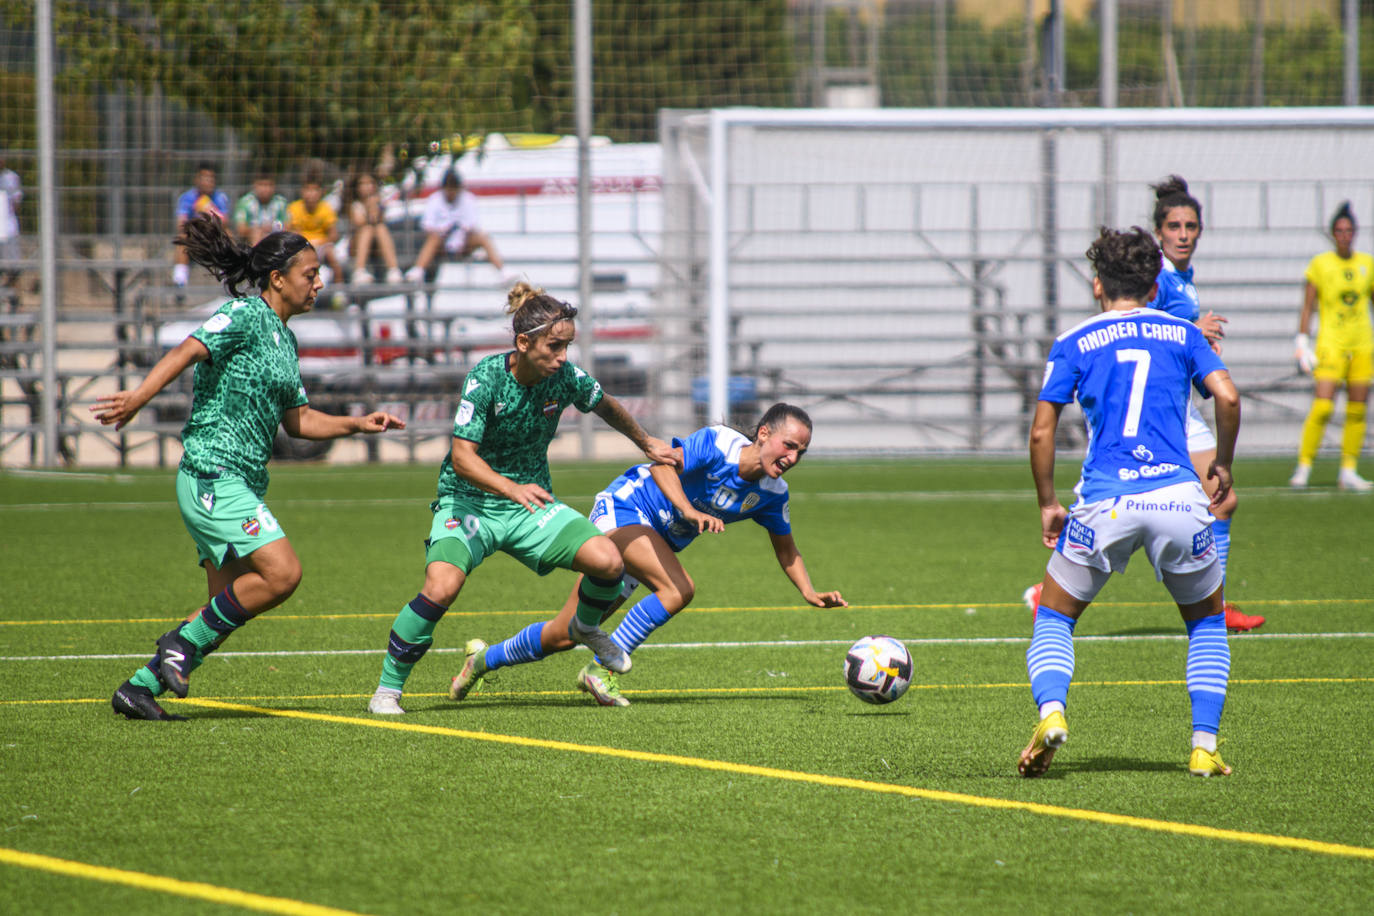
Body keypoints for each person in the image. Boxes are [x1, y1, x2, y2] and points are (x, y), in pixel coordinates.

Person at [92, 214, 405, 721]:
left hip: (241, 483)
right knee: (282, 574)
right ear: (278, 278)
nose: (320, 282)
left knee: (223, 609)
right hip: (212, 473)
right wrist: (138, 398)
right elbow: (187, 350)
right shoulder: (242, 314)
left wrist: (356, 424)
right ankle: (176, 644)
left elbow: (298, 422)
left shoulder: (286, 339)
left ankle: (139, 687)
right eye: (311, 273)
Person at [366, 282, 677, 715]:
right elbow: (461, 457)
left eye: (568, 346)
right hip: (469, 503)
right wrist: (512, 487)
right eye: (555, 346)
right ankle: (387, 690)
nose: (563, 357)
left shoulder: (564, 377)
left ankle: (586, 627)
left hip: (529, 506)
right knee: (441, 587)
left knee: (607, 562)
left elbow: (605, 404)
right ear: (524, 342)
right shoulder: (486, 378)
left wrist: (645, 442)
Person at [1018, 226, 1240, 779]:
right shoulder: (1182, 332)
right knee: (1207, 623)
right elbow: (1229, 397)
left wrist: (1048, 501)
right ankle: (1203, 746)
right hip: (1178, 500)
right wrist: (1223, 464)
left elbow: (1042, 432)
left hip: (1105, 503)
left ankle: (1052, 713)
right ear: (1153, 282)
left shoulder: (1074, 341)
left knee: (1056, 615)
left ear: (1098, 285)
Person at [448, 404, 848, 708]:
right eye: (789, 445)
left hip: (651, 540)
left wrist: (809, 592)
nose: (792, 458)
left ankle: (482, 661)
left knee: (565, 634)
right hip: (626, 507)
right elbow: (661, 467)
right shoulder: (719, 442)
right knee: (679, 589)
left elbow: (786, 548)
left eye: (802, 452)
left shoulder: (773, 496)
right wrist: (690, 511)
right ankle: (601, 670)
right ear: (763, 434)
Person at [1020, 177, 1261, 633]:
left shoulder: (1179, 279)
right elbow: (1142, 327)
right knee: (1208, 501)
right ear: (1159, 234)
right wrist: (1193, 331)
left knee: (1187, 505)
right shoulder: (1160, 280)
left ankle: (1062, 589)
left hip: (1170, 407)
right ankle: (1212, 604)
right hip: (1162, 411)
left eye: (1192, 226)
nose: (1184, 234)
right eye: (1174, 227)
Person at [1289, 201, 1374, 491]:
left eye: (1349, 230)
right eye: (1339, 230)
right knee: (1323, 406)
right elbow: (1308, 306)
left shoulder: (1367, 264)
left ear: (1355, 233)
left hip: (1362, 344)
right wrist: (1302, 342)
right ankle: (1304, 466)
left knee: (1357, 409)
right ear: (1332, 233)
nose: (1344, 235)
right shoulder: (1321, 264)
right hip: (1331, 344)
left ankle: (1348, 470)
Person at [404, 170, 506, 283]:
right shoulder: (435, 199)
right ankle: (419, 270)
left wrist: (459, 234)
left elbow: (472, 226)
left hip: (464, 244)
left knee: (483, 237)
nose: (451, 193)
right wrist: (443, 231)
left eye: (453, 189)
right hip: (441, 245)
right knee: (433, 239)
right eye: (448, 189)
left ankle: (502, 271)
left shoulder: (468, 199)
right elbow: (427, 226)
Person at [172, 162, 230, 288]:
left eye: (211, 178)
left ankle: (227, 273)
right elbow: (181, 224)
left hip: (214, 237)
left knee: (229, 234)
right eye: (204, 178)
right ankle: (180, 280)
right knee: (182, 237)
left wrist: (210, 210)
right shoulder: (187, 197)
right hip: (195, 238)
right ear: (197, 179)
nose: (208, 182)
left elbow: (224, 222)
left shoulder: (220, 197)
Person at [345, 170, 404, 285]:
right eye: (363, 184)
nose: (367, 187)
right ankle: (359, 270)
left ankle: (393, 269)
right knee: (367, 229)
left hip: (376, 246)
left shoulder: (379, 202)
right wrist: (369, 207)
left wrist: (376, 207)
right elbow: (359, 222)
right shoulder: (355, 205)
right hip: (357, 244)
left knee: (380, 228)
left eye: (370, 183)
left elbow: (378, 220)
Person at [286, 172, 344, 284]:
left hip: (321, 245)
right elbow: (291, 232)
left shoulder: (326, 208)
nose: (311, 194)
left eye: (315, 190)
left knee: (331, 252)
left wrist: (322, 242)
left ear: (321, 192)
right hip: (302, 245)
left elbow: (333, 234)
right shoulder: (294, 208)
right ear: (302, 191)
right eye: (308, 190)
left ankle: (339, 287)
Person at [233, 173, 289, 246]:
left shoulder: (281, 202)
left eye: (269, 185)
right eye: (261, 185)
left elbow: (288, 226)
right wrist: (258, 229)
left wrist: (271, 229)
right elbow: (241, 229)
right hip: (252, 239)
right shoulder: (245, 202)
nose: (265, 189)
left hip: (277, 237)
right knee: (256, 234)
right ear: (254, 186)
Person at [0, 154, 21, 288]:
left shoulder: (11, 178)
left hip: (8, 229)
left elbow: (16, 202)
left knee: (14, 267)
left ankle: (9, 294)